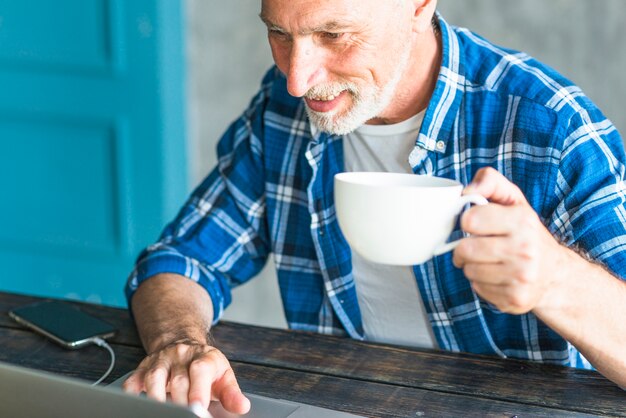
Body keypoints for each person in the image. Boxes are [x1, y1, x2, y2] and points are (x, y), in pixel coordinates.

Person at [122, 0, 626, 414]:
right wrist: (179, 343)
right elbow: (183, 259)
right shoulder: (284, 108)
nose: (298, 78)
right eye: (278, 33)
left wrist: (556, 278)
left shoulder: (552, 127)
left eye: (334, 35)